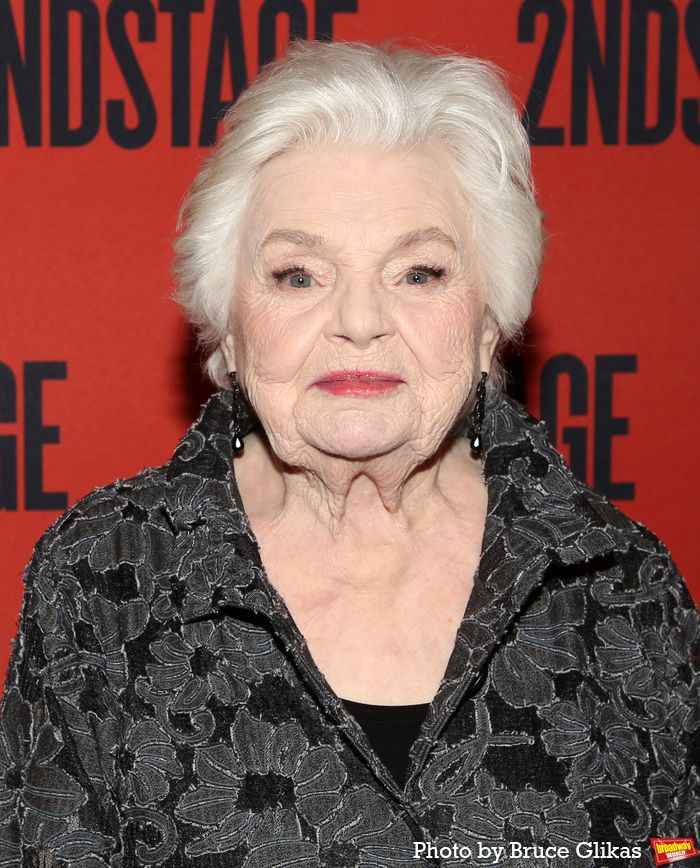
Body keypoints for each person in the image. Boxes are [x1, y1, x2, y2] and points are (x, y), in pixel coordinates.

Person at [0, 40, 697, 868]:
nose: (360, 320)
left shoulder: (620, 586)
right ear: (229, 324)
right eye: (299, 275)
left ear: (489, 322)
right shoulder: (106, 581)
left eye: (419, 273)